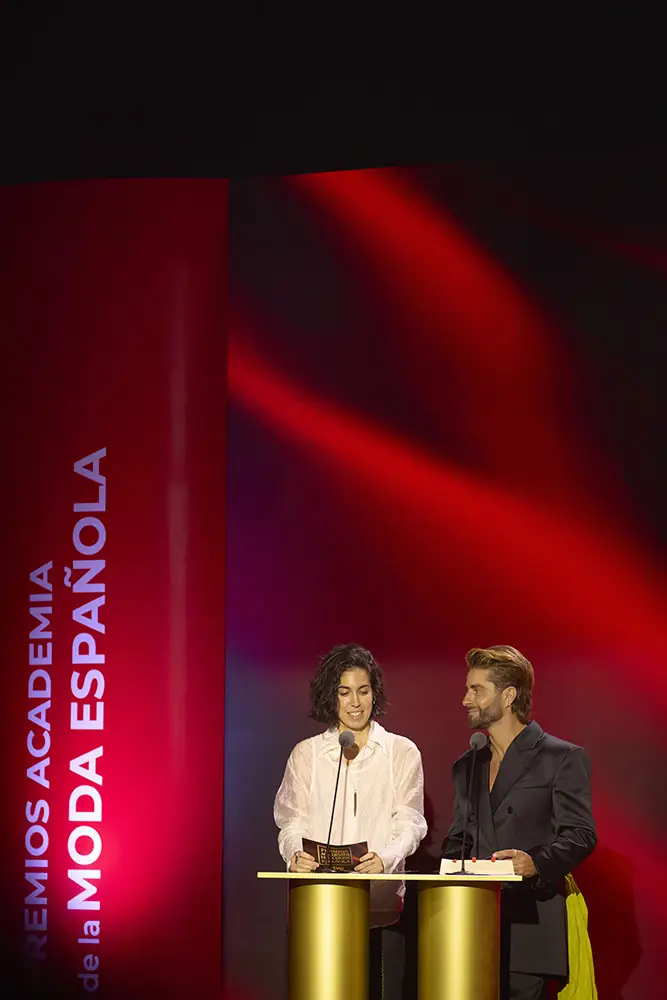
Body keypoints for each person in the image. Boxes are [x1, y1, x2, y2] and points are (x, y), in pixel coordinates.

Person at [442, 645, 597, 1000]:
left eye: (476, 690)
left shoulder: (561, 757)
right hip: (474, 924)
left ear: (508, 695)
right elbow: (459, 837)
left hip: (532, 924)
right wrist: (450, 867)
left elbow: (581, 834)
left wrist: (535, 862)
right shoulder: (467, 765)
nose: (466, 700)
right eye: (467, 689)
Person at [274, 643, 427, 1000]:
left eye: (363, 691)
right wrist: (295, 854)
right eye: (344, 692)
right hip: (320, 905)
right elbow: (291, 822)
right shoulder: (308, 754)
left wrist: (386, 858)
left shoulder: (401, 751)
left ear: (375, 694)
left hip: (382, 909)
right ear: (331, 697)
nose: (355, 703)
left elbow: (410, 821)